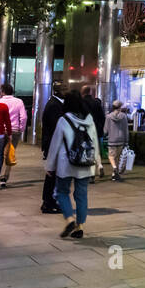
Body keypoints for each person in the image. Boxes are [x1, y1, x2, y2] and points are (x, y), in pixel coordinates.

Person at [46, 90, 99, 239]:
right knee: (81, 195)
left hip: (66, 163)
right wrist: (96, 164)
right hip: (85, 163)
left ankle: (70, 219)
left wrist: (50, 166)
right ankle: (80, 226)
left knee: (62, 192)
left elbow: (55, 144)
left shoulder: (64, 120)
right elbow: (94, 142)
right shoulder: (89, 120)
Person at [39, 86, 66, 214]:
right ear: (59, 92)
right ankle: (48, 202)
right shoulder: (55, 105)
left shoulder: (54, 103)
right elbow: (57, 127)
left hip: (52, 143)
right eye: (65, 90)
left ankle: (49, 201)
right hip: (53, 144)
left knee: (53, 174)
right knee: (52, 174)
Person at [0, 83, 27, 189]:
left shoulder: (0, 102)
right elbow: (23, 117)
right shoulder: (19, 102)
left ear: (2, 91)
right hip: (14, 131)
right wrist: (21, 129)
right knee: (10, 153)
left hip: (1, 130)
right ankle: (4, 178)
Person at [81, 86, 107, 180]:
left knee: (88, 151)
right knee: (96, 149)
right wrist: (100, 128)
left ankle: (91, 174)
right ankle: (100, 166)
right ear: (90, 92)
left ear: (82, 92)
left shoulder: (81, 102)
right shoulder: (96, 103)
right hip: (96, 130)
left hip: (85, 130)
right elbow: (102, 117)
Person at [104, 99, 131, 181]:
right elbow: (126, 129)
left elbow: (105, 130)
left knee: (111, 156)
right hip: (121, 139)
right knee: (118, 157)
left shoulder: (108, 117)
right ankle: (115, 174)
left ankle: (115, 168)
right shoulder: (124, 116)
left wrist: (105, 134)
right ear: (120, 107)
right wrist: (126, 141)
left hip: (112, 139)